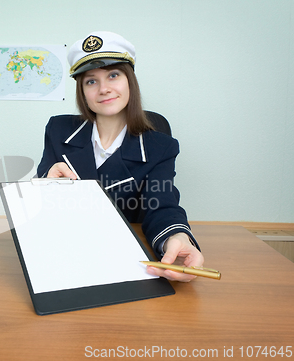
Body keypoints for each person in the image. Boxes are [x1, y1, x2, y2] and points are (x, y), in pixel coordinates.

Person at [36, 31, 204, 282]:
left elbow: (162, 205)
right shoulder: (58, 130)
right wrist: (45, 184)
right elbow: (42, 199)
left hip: (125, 261)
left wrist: (177, 238)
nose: (104, 89)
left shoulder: (160, 146)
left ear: (130, 81)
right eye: (91, 81)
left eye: (113, 75)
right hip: (67, 256)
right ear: (82, 91)